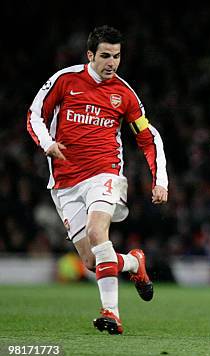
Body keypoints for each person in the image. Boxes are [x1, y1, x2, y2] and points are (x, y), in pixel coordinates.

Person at [26, 25, 169, 335]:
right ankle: (133, 263)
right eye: (105, 56)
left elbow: (147, 137)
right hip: (64, 183)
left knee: (96, 231)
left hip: (105, 173)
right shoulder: (65, 81)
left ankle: (111, 313)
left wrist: (161, 180)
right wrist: (47, 143)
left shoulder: (124, 93)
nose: (112, 63)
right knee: (92, 261)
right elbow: (34, 115)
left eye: (117, 56)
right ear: (90, 55)